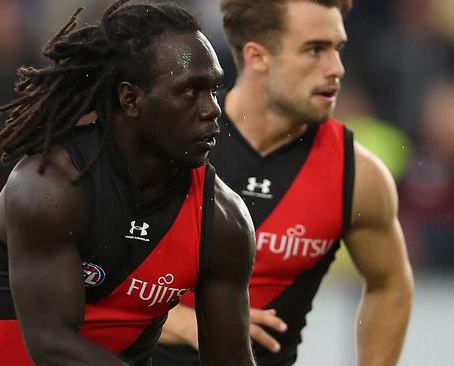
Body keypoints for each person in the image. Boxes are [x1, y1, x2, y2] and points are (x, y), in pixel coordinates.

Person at [0, 1, 257, 365]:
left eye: (214, 90)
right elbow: (53, 347)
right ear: (131, 99)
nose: (212, 109)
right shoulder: (50, 187)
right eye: (190, 91)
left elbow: (231, 360)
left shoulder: (223, 220)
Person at [154, 0, 414, 365]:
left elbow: (390, 284)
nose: (336, 69)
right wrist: (184, 322)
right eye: (315, 50)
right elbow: (78, 284)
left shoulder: (358, 176)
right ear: (257, 57)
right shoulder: (166, 146)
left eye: (337, 49)